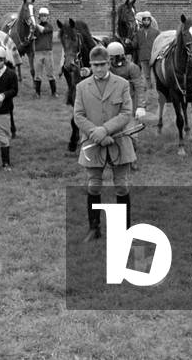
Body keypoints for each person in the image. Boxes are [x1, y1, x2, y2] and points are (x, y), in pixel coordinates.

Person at [74, 45, 135, 242]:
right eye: (95, 65)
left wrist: (106, 130)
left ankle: (124, 230)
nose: (99, 69)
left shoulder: (122, 84)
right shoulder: (82, 87)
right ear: (90, 65)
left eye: (102, 64)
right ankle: (94, 228)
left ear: (109, 63)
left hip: (119, 141)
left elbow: (126, 113)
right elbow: (78, 115)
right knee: (93, 186)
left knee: (122, 186)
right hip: (93, 143)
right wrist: (97, 134)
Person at [131, 12, 159, 93]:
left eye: (148, 20)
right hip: (143, 57)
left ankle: (155, 91)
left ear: (150, 21)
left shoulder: (156, 32)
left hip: (153, 58)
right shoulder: (139, 33)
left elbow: (159, 44)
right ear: (142, 21)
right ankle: (148, 91)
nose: (146, 22)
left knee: (154, 76)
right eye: (144, 20)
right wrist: (129, 42)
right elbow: (135, 44)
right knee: (146, 76)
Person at [32, 6, 57, 98]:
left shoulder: (49, 26)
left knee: (50, 73)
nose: (43, 17)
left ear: (47, 17)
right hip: (38, 52)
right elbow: (32, 37)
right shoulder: (35, 28)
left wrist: (35, 24)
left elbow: (42, 30)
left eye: (45, 15)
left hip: (48, 52)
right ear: (39, 17)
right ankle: (37, 93)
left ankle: (54, 93)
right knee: (38, 74)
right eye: (41, 15)